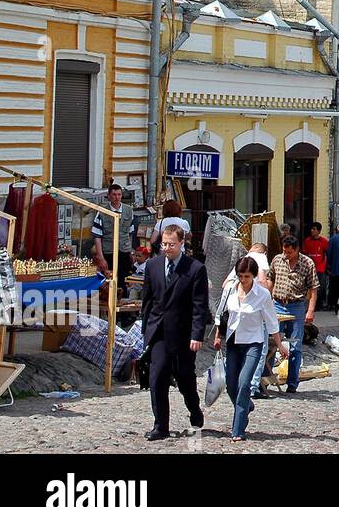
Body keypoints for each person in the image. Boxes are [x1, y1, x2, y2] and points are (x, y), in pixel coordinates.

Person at [140, 225, 208, 441]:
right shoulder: (153, 265)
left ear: (181, 244)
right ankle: (161, 426)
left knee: (185, 379)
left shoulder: (195, 269)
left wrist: (197, 335)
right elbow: (148, 299)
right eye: (164, 244)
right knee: (157, 377)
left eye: (171, 244)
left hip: (183, 334)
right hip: (159, 332)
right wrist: (145, 329)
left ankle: (194, 410)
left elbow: (199, 306)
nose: (167, 248)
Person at [213, 257, 286, 441]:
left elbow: (271, 322)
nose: (243, 279)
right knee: (231, 386)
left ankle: (238, 429)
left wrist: (280, 344)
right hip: (233, 341)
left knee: (245, 383)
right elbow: (221, 313)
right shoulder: (230, 289)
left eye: (246, 276)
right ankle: (246, 405)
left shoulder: (262, 294)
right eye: (240, 275)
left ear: (253, 275)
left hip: (253, 342)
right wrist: (216, 336)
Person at [268, 238, 318, 393]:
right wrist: (266, 299)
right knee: (271, 343)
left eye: (289, 252)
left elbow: (314, 288)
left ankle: (292, 383)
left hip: (296, 306)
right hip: (277, 304)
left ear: (297, 250)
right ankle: (265, 378)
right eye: (284, 251)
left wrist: (310, 310)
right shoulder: (277, 259)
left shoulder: (307, 263)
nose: (286, 254)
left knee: (295, 345)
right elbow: (270, 278)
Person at [90, 183, 136, 280]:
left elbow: (130, 233)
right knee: (109, 281)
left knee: (124, 280)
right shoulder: (102, 212)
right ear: (109, 196)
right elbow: (97, 237)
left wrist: (131, 251)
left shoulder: (129, 210)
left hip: (124, 251)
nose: (117, 197)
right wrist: (101, 258)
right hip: (108, 252)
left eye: (119, 194)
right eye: (114, 195)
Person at [301, 222, 329, 311]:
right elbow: (304, 253)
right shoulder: (307, 240)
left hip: (320, 268)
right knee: (309, 287)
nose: (312, 231)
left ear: (319, 231)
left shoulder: (324, 241)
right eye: (311, 229)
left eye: (314, 229)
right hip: (309, 268)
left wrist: (326, 266)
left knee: (321, 287)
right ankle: (309, 305)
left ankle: (320, 304)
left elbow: (327, 253)